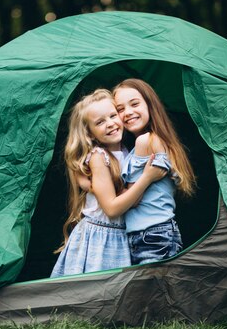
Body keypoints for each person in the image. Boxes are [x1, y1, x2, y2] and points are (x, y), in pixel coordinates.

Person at [51, 89, 166, 277]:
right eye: (100, 122)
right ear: (91, 134)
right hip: (99, 237)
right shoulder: (99, 157)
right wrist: (147, 177)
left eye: (113, 116)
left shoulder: (128, 152)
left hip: (121, 236)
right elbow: (112, 209)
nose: (110, 124)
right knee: (93, 294)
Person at [113, 78, 196, 265]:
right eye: (120, 109)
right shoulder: (157, 140)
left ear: (150, 105)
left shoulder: (145, 141)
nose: (128, 112)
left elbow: (133, 200)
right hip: (156, 233)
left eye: (134, 104)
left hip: (151, 235)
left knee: (153, 293)